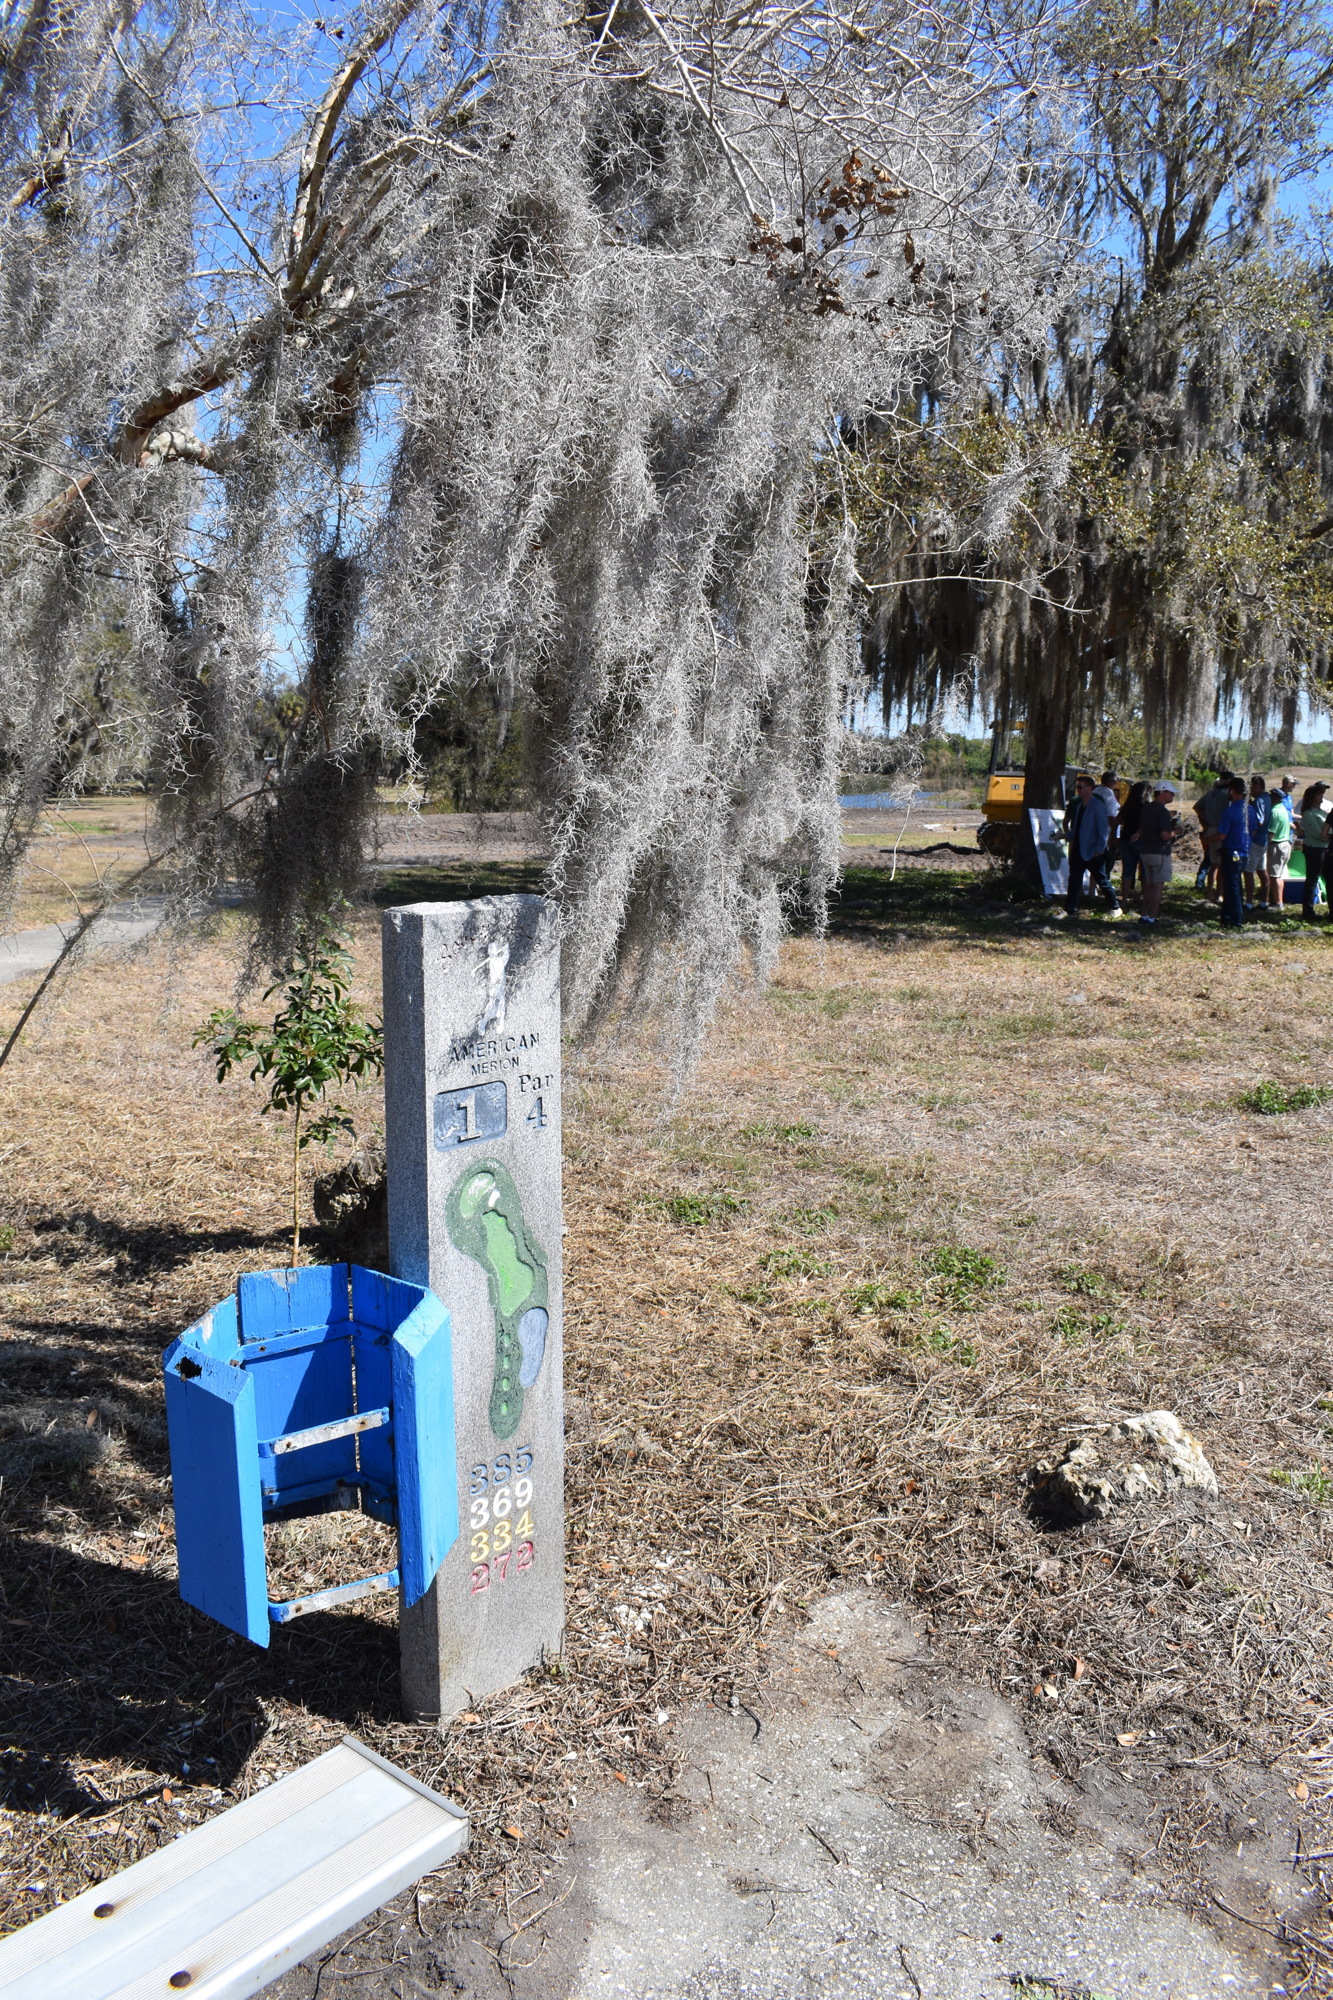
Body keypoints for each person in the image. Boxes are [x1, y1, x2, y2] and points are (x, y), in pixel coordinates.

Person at [1063, 772, 1122, 921]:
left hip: (1094, 852)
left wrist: (1099, 849)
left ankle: (1115, 907)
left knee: (1102, 880)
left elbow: (1103, 829)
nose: (1077, 789)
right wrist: (1067, 835)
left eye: (1080, 787)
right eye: (1077, 786)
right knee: (1074, 880)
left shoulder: (1097, 805)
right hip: (1078, 849)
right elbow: (1078, 829)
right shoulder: (1078, 805)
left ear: (1089, 788)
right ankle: (1070, 909)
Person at [1136, 781, 1180, 926]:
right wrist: (1176, 831)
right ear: (1162, 792)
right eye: (1170, 792)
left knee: (1147, 886)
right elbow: (1165, 835)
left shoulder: (1146, 808)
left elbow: (1141, 830)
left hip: (1145, 851)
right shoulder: (1162, 811)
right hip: (1159, 852)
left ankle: (1143, 915)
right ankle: (1152, 918)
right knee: (1157, 887)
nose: (1172, 795)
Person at [1194, 770, 1232, 901]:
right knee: (1221, 864)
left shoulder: (1210, 793)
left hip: (1210, 829)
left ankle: (1209, 891)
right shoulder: (1226, 795)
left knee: (1213, 864)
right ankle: (1218, 894)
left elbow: (1197, 807)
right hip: (1220, 831)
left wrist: (1206, 821)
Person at [1217, 776, 1248, 927]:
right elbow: (1254, 831)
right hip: (1244, 853)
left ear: (1232, 791)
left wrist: (1208, 839)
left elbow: (1222, 834)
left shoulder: (1230, 811)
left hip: (1231, 853)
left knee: (1233, 888)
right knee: (1233, 886)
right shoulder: (1250, 810)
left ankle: (1237, 920)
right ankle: (1226, 917)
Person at [1299, 781, 1331, 922]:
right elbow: (1319, 834)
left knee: (1330, 880)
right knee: (1312, 880)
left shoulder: (1321, 812)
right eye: (1319, 794)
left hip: (1325, 849)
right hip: (1314, 849)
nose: (1321, 797)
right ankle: (1308, 911)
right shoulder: (1308, 814)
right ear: (1312, 797)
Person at [1119, 780, 1149, 901]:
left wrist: (1112, 837)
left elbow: (1117, 820)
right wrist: (1139, 832)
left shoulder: (1127, 805)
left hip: (1125, 839)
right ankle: (1145, 898)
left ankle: (1124, 898)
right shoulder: (1146, 805)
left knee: (1127, 871)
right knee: (1145, 870)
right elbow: (1146, 822)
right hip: (1141, 841)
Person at [1243, 774, 1270, 911]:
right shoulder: (1267, 798)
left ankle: (1248, 903)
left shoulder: (1259, 800)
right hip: (1264, 840)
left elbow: (1259, 820)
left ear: (1258, 786)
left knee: (1248, 871)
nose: (1250, 791)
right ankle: (1264, 902)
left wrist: (1250, 831)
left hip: (1256, 841)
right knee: (1262, 871)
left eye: (1251, 787)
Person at [1267, 785, 1293, 909]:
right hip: (1286, 844)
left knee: (1274, 875)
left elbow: (1271, 832)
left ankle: (1277, 903)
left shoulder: (1274, 811)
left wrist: (1266, 846)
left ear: (1276, 798)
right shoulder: (1282, 809)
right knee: (1280, 875)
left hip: (1277, 845)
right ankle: (1279, 900)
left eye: (1272, 796)